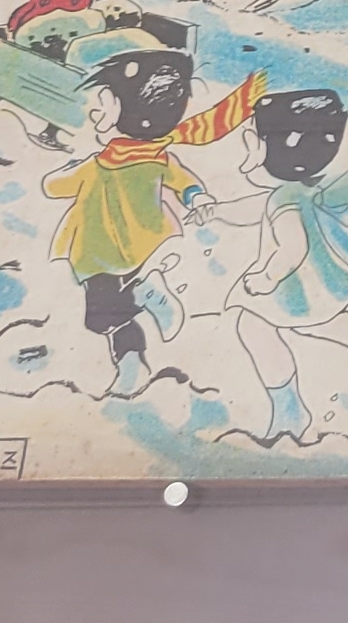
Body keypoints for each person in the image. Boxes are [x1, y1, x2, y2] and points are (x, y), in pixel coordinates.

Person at [41, 39, 263, 400]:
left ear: (123, 115)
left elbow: (54, 187)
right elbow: (184, 182)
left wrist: (63, 170)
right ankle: (136, 341)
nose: (95, 113)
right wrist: (198, 196)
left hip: (98, 256)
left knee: (103, 316)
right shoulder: (158, 157)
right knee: (116, 311)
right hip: (143, 247)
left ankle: (136, 334)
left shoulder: (98, 166)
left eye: (104, 104)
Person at [219, 89, 348, 447]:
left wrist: (266, 278)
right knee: (322, 321)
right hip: (318, 281)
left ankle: (289, 411)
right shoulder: (294, 191)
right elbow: (254, 208)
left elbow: (293, 247)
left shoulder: (284, 199)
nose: (247, 146)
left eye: (254, 139)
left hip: (292, 283)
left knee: (254, 325)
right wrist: (216, 211)